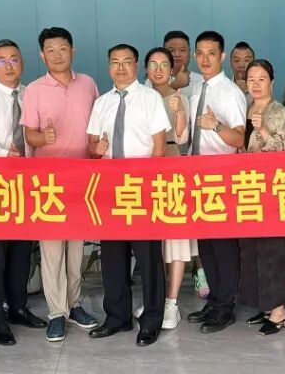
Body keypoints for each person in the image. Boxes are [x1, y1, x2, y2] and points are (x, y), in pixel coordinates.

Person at [86, 44, 171, 347]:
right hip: (110, 190)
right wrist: (96, 149)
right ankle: (117, 317)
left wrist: (150, 187)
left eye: (126, 62)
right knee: (113, 257)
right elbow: (92, 146)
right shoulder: (101, 103)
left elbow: (159, 148)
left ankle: (151, 320)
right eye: (114, 62)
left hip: (141, 189)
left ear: (136, 66)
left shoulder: (150, 98)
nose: (120, 67)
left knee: (148, 260)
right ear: (109, 66)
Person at [22, 27, 101, 341]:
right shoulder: (34, 90)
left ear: (73, 50)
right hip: (49, 181)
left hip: (82, 179)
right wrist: (45, 138)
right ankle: (56, 312)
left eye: (63, 48)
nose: (57, 55)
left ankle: (75, 304)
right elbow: (30, 135)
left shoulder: (88, 84)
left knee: (77, 247)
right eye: (50, 50)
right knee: (52, 250)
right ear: (42, 55)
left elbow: (97, 127)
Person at [0, 39, 48, 345]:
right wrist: (7, 155)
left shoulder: (33, 95)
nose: (8, 65)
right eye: (1, 61)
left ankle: (18, 307)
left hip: (30, 184)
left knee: (21, 251)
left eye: (14, 59)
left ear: (22, 63)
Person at [184, 30, 248, 333]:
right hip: (197, 176)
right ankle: (214, 300)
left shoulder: (230, 93)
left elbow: (239, 138)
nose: (205, 58)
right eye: (200, 53)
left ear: (222, 56)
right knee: (206, 246)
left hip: (222, 178)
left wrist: (216, 125)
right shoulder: (197, 90)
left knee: (223, 246)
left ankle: (226, 306)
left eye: (212, 53)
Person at [239, 60, 285, 335]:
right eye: (251, 79)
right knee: (252, 250)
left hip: (275, 190)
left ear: (272, 83)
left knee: (274, 250)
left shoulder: (279, 112)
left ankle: (279, 310)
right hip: (250, 189)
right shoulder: (246, 109)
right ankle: (264, 305)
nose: (256, 84)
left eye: (262, 79)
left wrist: (263, 130)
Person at [143, 46, 195, 329]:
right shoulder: (139, 95)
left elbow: (183, 137)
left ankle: (171, 303)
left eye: (164, 64)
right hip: (144, 170)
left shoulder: (180, 97)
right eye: (153, 64)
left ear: (172, 69)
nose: (159, 70)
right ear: (145, 69)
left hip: (172, 165)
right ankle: (155, 298)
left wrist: (179, 113)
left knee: (174, 237)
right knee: (152, 239)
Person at [164, 30, 203, 98]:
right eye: (171, 50)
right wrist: (174, 86)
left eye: (182, 50)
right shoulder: (154, 80)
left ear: (189, 52)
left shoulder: (202, 81)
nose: (177, 54)